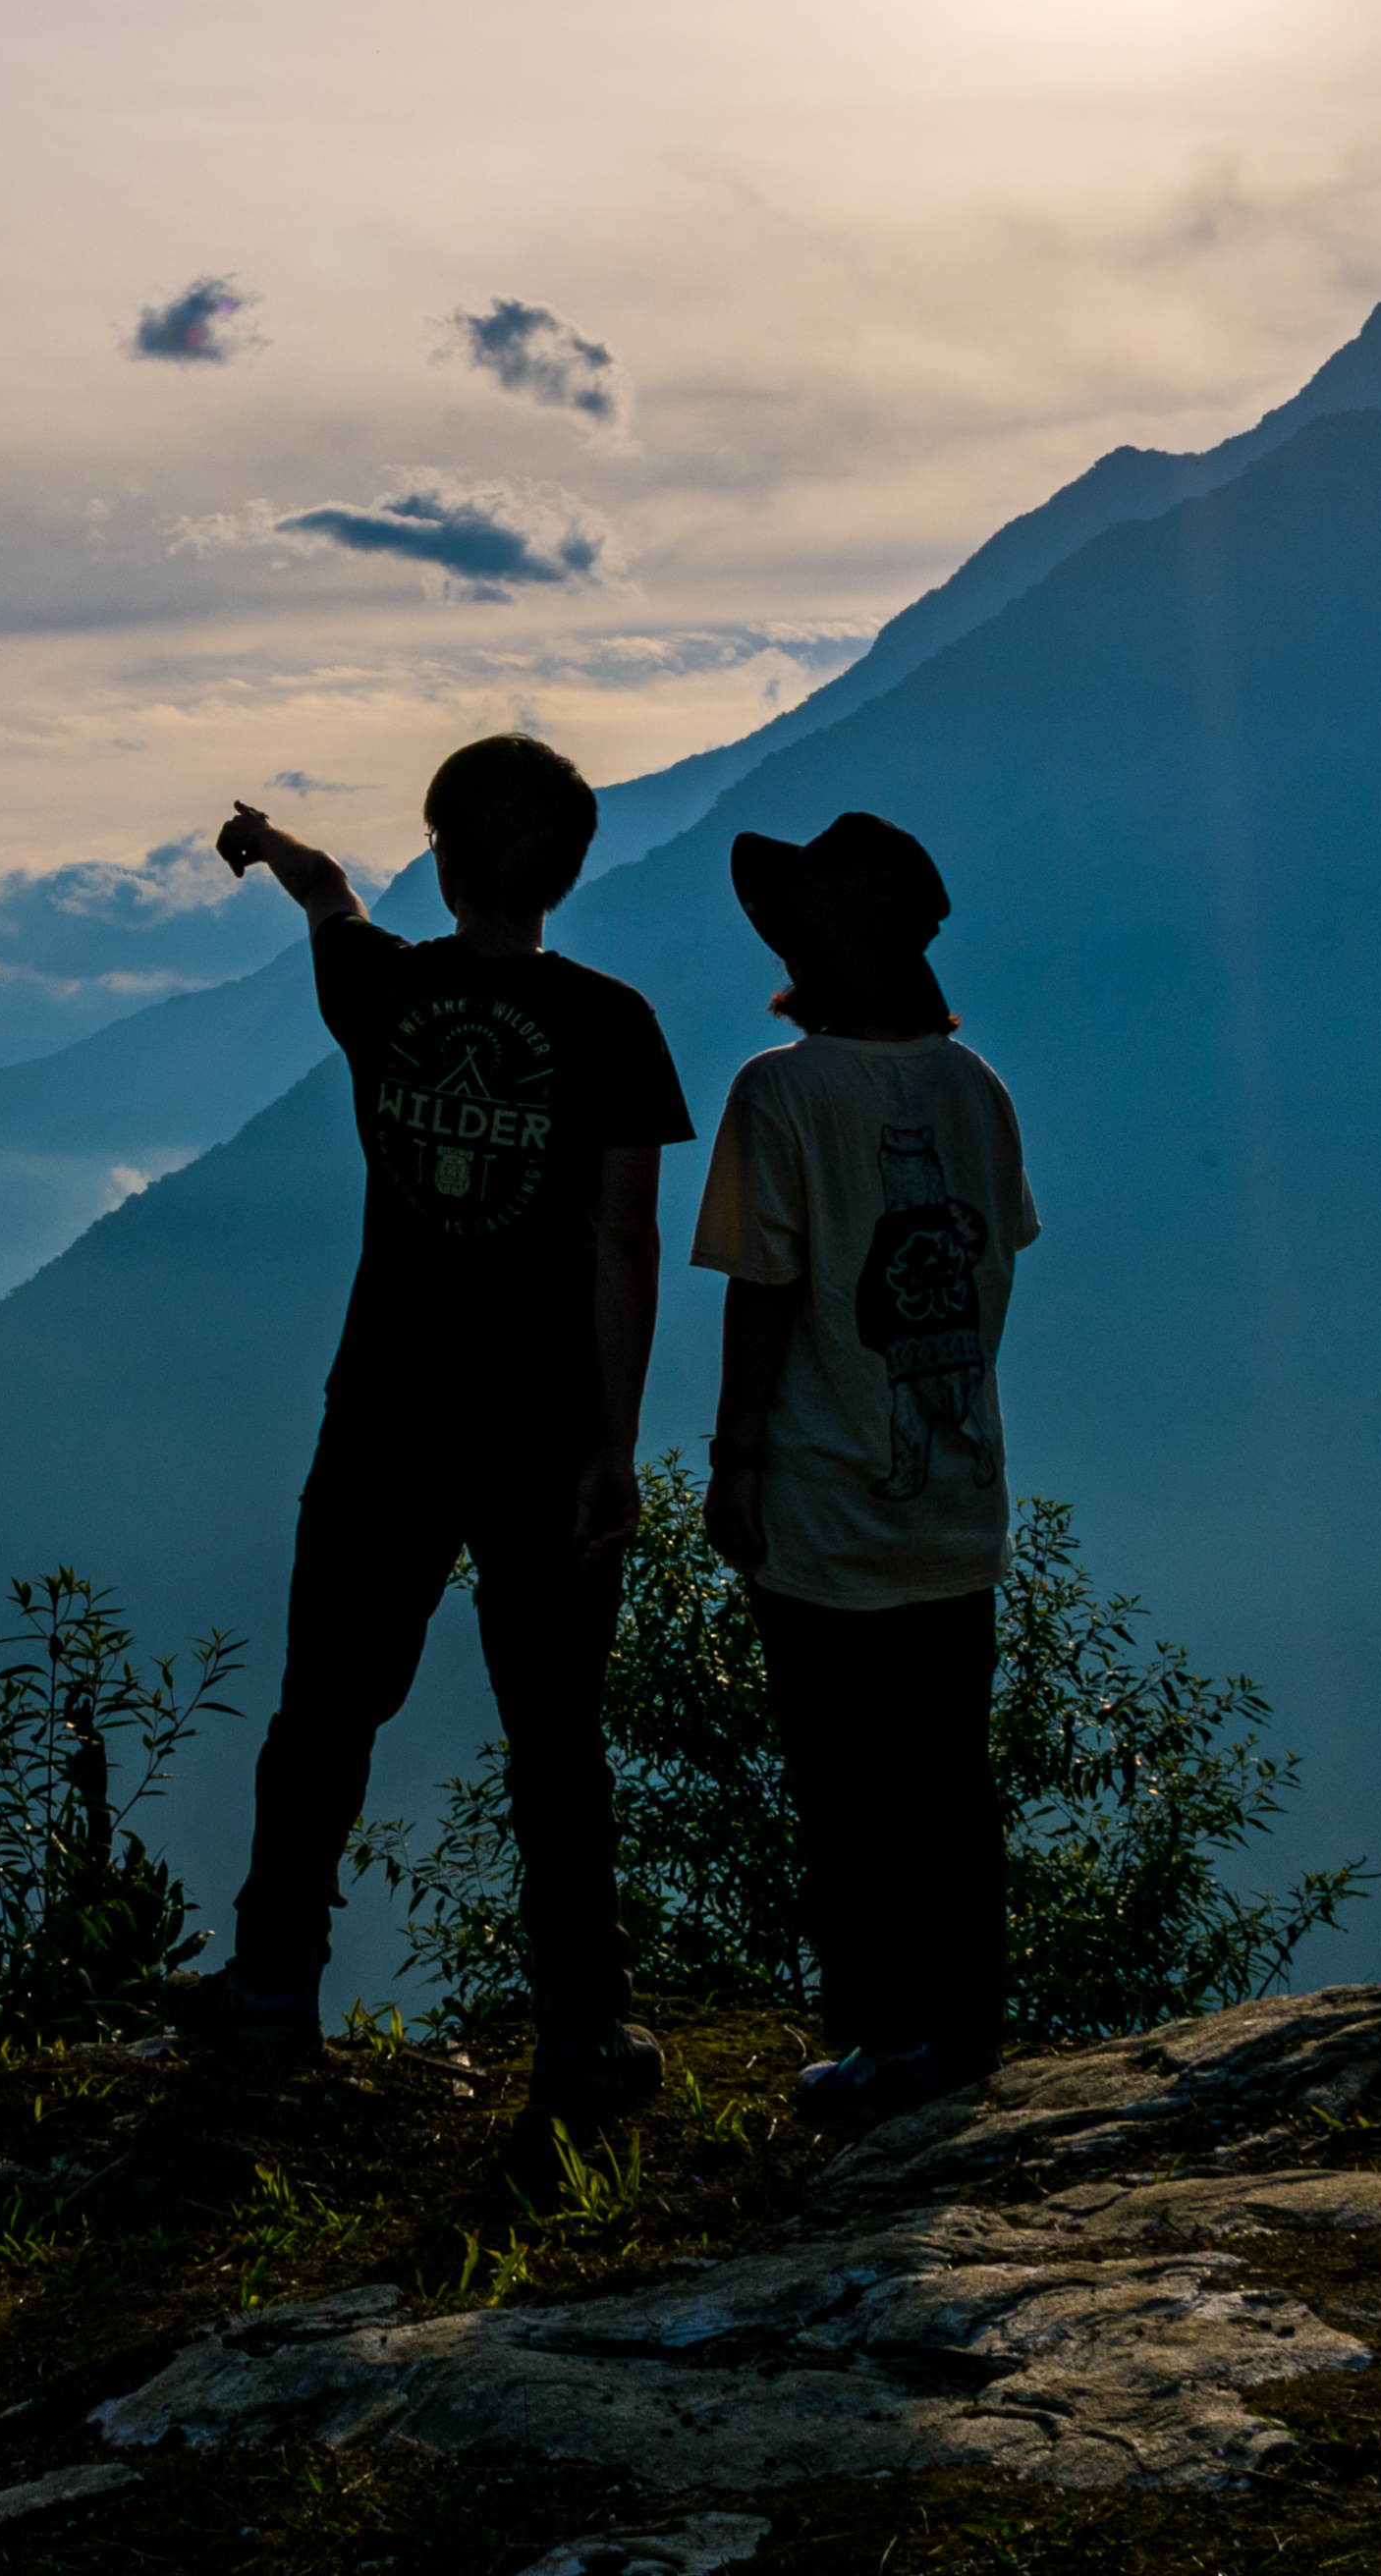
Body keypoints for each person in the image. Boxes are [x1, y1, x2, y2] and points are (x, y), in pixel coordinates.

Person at [164, 735, 695, 2128]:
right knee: (557, 1735)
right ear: (572, 872)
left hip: (386, 1417)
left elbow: (331, 893)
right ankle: (582, 2029)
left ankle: (274, 1988)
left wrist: (264, 841)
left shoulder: (389, 994)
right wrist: (617, 1446)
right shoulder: (616, 1023)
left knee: (326, 1707)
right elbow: (625, 1241)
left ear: (445, 857)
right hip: (547, 1434)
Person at [693, 808, 1039, 2131]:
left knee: (846, 1783)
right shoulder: (978, 1090)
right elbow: (997, 1250)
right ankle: (964, 2034)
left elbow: (763, 1294)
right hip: (956, 1499)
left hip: (828, 1503)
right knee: (949, 1777)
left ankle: (884, 2044)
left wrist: (734, 1464)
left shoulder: (779, 1093)